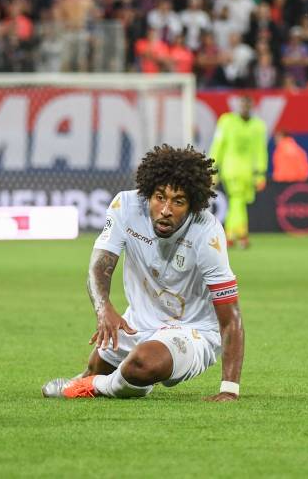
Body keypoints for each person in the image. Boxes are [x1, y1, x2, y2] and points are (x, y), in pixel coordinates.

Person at [42, 145, 245, 401]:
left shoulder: (208, 233)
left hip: (192, 331)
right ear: (148, 193)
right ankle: (101, 380)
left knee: (141, 364)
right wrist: (104, 308)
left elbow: (231, 316)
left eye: (178, 201)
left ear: (193, 205)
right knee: (98, 366)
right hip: (138, 322)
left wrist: (229, 390)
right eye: (160, 197)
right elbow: (99, 265)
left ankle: (96, 385)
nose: (166, 209)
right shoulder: (126, 206)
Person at [209, 96, 268, 249]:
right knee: (237, 199)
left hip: (248, 172)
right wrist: (212, 168)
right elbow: (218, 145)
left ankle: (231, 234)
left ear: (252, 107)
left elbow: (260, 150)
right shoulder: (227, 121)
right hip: (231, 169)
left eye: (247, 105)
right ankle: (239, 234)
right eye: (242, 104)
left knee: (240, 201)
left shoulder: (258, 126)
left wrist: (260, 173)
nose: (244, 108)